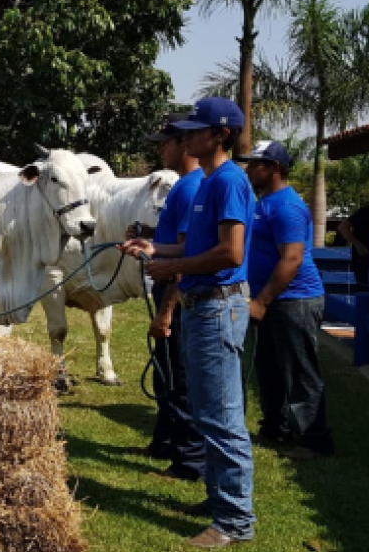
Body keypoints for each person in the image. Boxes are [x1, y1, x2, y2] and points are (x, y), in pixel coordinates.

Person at [122, 97, 256, 548]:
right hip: (204, 306)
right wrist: (155, 249)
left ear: (219, 135)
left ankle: (235, 521)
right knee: (206, 412)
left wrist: (172, 270)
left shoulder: (228, 182)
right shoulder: (210, 183)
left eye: (195, 130)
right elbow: (194, 246)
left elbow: (231, 253)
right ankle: (220, 502)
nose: (186, 137)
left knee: (222, 418)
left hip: (218, 307)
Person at [241, 141, 335, 460]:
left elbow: (292, 260)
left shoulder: (286, 207)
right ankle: (275, 426)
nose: (249, 169)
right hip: (273, 299)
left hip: (294, 299)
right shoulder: (264, 202)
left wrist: (262, 301)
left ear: (275, 168)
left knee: (299, 370)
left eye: (256, 164)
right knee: (270, 368)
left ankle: (315, 440)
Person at [134, 113, 206, 482]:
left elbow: (185, 255)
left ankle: (189, 461)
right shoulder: (184, 185)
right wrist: (148, 238)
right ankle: (164, 443)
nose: (160, 150)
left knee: (178, 379)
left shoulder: (193, 187)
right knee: (166, 376)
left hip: (176, 294)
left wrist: (166, 311)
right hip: (169, 288)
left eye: (165, 143)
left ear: (184, 143)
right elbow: (174, 243)